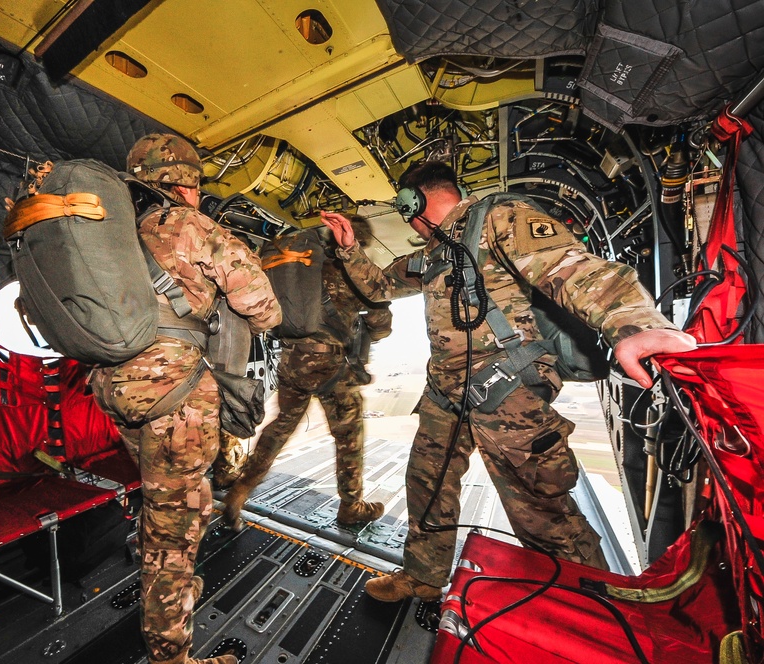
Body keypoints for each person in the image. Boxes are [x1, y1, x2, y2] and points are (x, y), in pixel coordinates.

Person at [320, 160, 697, 603]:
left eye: (407, 209)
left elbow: (573, 268)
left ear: (414, 201)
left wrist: (633, 324)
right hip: (445, 392)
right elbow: (380, 286)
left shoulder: (498, 217)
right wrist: (348, 249)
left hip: (507, 390)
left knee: (540, 511)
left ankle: (596, 609)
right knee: (427, 483)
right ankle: (423, 576)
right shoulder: (434, 252)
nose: (409, 221)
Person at [90, 133, 281, 664]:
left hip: (114, 385)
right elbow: (263, 307)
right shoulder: (186, 224)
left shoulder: (108, 229)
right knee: (172, 531)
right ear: (187, 184)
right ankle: (169, 650)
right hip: (173, 393)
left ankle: (167, 588)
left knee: (164, 504)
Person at [222, 224, 392, 531]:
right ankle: (351, 506)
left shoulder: (304, 266)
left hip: (292, 358)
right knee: (349, 435)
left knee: (282, 425)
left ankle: (241, 490)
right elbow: (381, 321)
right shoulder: (350, 270)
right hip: (331, 364)